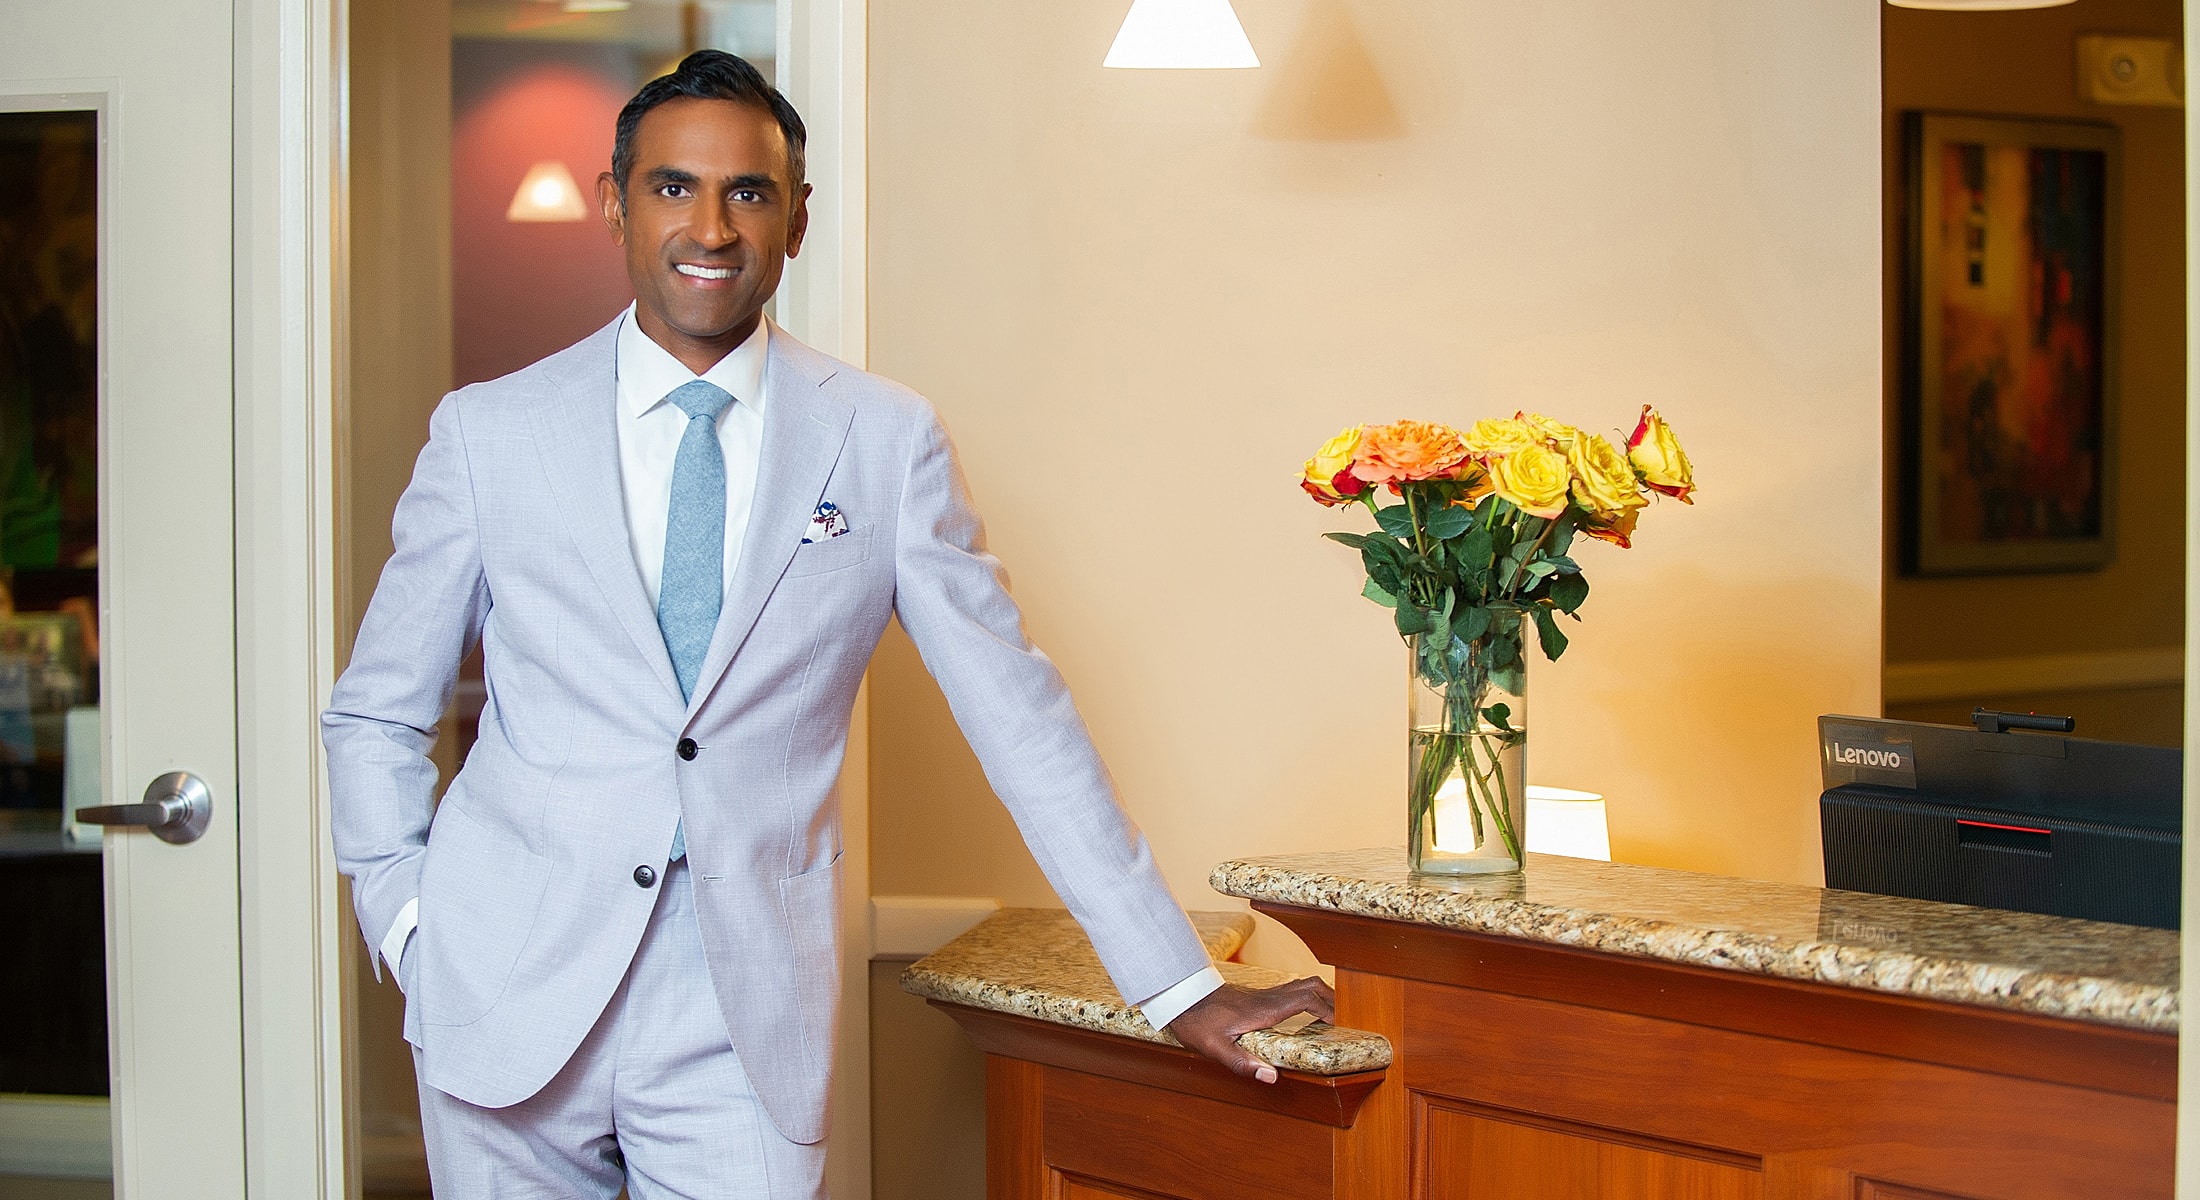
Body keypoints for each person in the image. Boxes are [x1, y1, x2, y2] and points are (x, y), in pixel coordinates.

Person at [324, 49, 1332, 1199]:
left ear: (795, 219)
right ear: (612, 205)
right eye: (670, 188)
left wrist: (1176, 982)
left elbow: (1020, 718)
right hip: (503, 979)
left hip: (741, 1012)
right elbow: (373, 712)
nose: (710, 226)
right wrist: (411, 927)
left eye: (747, 192)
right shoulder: (488, 434)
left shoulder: (884, 441)